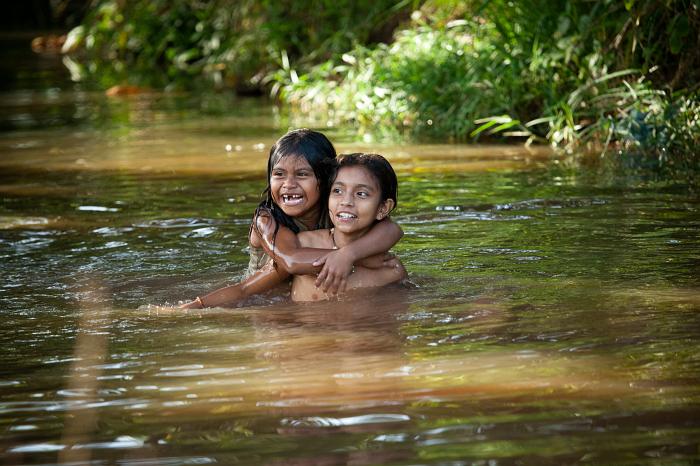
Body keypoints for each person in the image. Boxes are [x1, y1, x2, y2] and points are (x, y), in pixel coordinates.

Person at [180, 130, 402, 308]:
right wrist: (357, 259)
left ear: (325, 181)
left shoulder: (337, 203)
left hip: (309, 283)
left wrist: (350, 254)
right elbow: (291, 261)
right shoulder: (266, 219)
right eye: (279, 174)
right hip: (265, 288)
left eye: (302, 174)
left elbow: (392, 229)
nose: (289, 184)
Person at [291, 153, 407, 302]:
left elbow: (391, 321)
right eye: (338, 191)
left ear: (383, 208)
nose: (346, 201)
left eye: (361, 194)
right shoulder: (303, 244)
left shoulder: (389, 271)